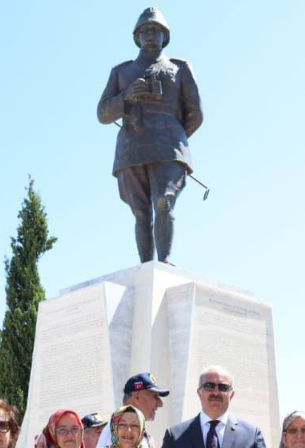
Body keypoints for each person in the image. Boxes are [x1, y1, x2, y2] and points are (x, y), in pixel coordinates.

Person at [97, 7, 203, 264]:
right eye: (145, 30)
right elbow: (102, 113)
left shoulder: (180, 68)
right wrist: (126, 96)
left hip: (168, 147)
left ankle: (164, 262)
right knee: (141, 211)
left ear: (165, 35)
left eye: (156, 29)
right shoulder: (121, 72)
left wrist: (173, 134)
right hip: (131, 148)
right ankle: (146, 266)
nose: (150, 34)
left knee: (164, 200)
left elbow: (195, 113)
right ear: (137, 36)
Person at [97, 371, 169, 448]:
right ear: (137, 397)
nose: (160, 404)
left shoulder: (128, 429)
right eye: (155, 396)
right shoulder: (118, 431)